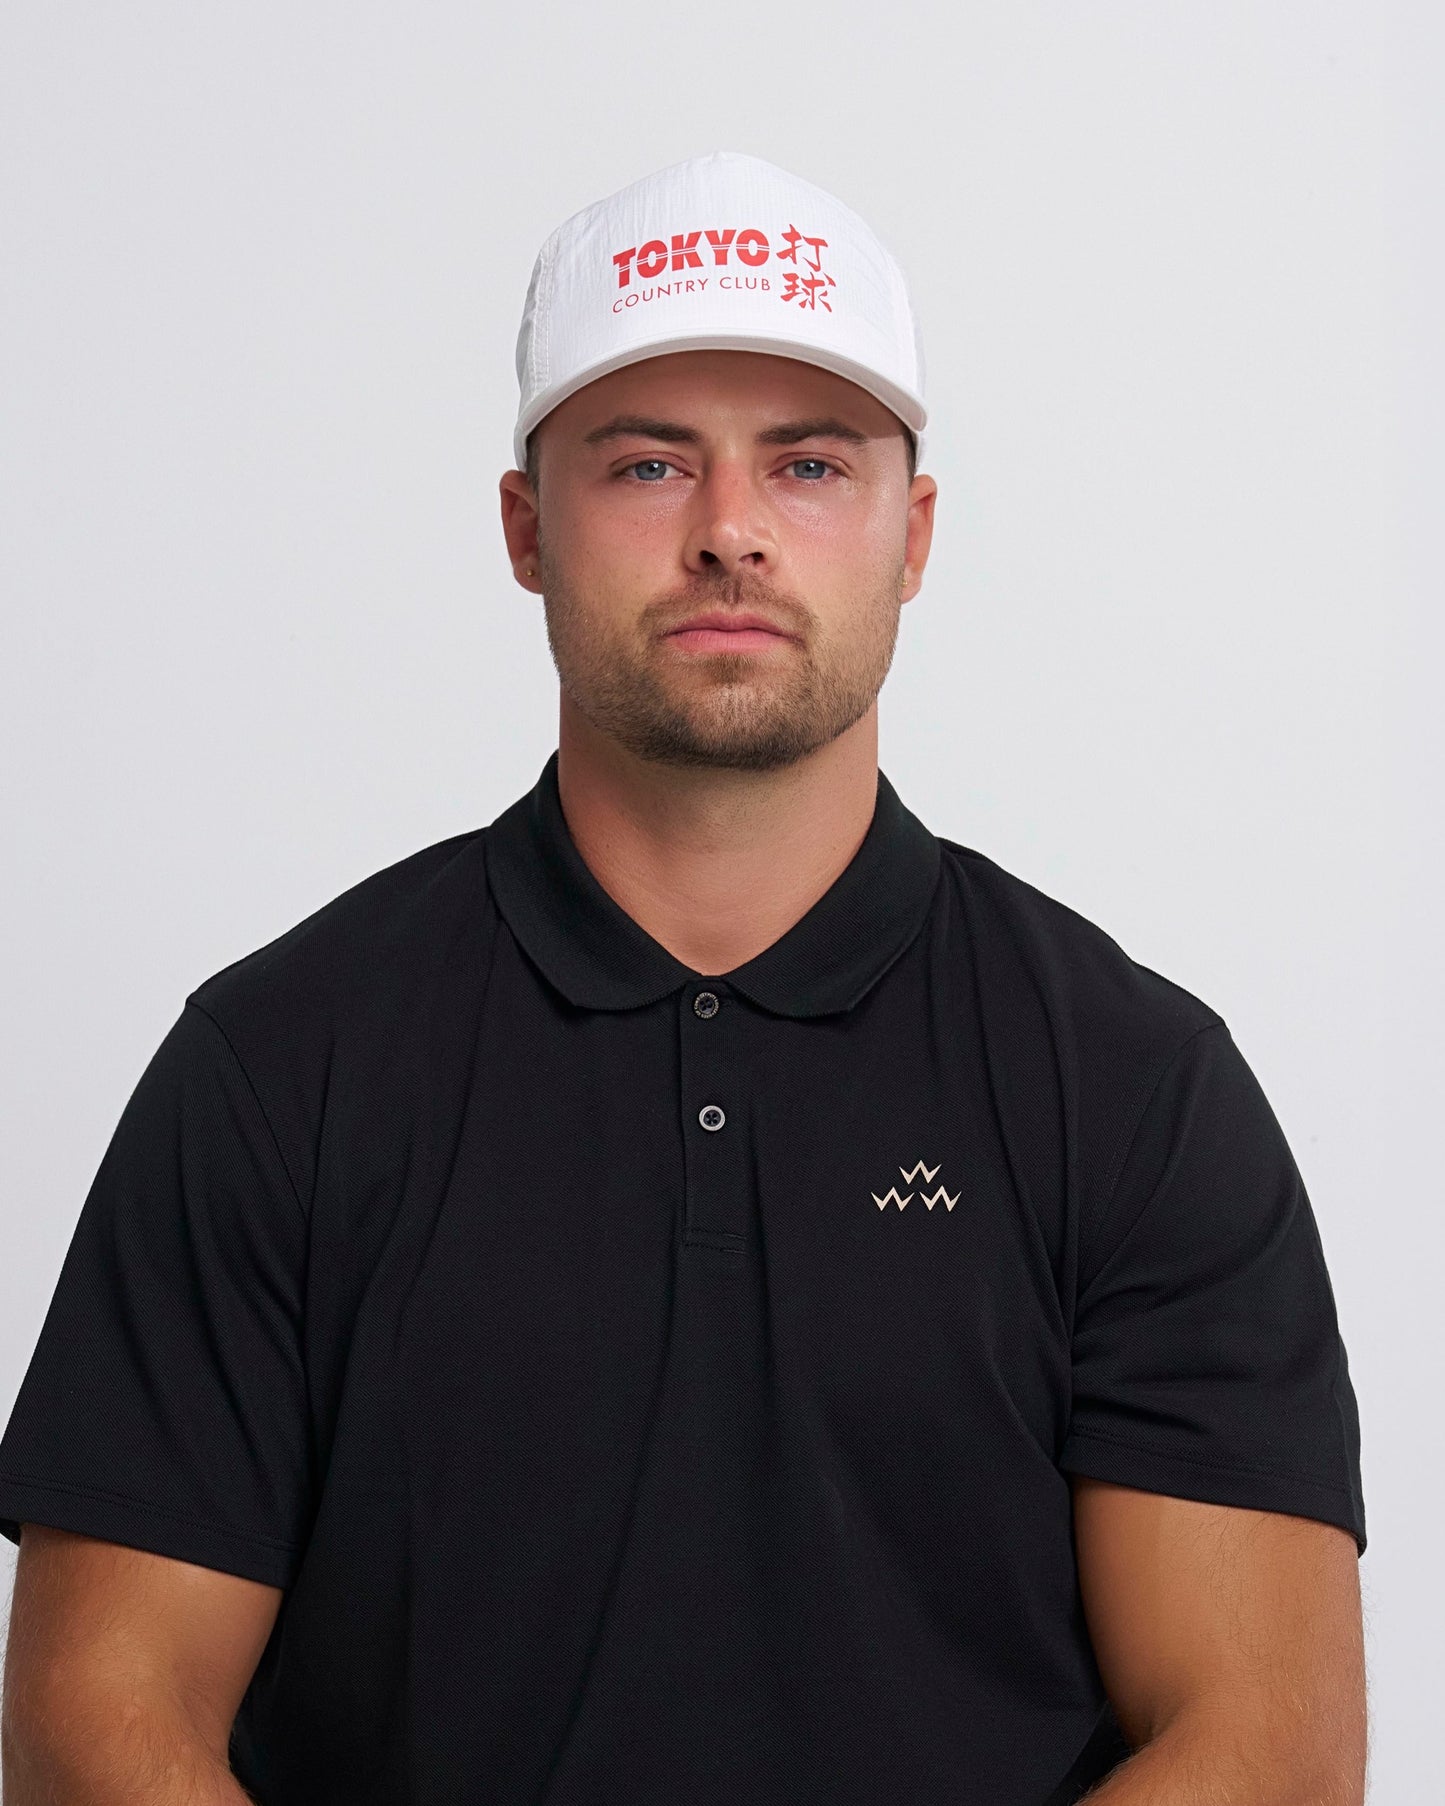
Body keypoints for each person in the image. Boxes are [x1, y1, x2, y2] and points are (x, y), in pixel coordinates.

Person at [0, 150, 1366, 1806]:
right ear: (526, 528)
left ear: (912, 533)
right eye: (647, 464)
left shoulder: (1132, 1086)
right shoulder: (283, 1065)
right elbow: (96, 1714)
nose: (729, 532)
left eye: (809, 464)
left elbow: (1262, 1747)